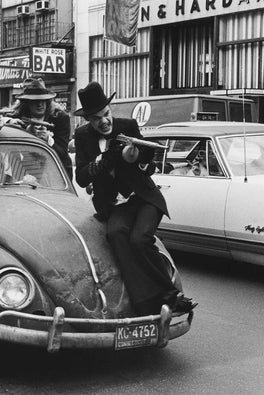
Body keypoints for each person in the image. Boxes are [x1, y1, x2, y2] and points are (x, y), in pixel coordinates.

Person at [73, 81, 197, 316]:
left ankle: (172, 296)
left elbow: (147, 166)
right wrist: (105, 160)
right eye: (97, 118)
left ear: (111, 110)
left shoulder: (128, 125)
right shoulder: (82, 136)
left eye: (106, 114)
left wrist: (139, 158)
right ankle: (144, 304)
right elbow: (80, 177)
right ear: (88, 120)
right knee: (116, 235)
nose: (104, 121)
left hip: (145, 198)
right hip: (116, 205)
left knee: (140, 240)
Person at [8, 78, 73, 180]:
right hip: (28, 171)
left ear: (48, 101)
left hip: (58, 172)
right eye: (35, 101)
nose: (40, 104)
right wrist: (27, 135)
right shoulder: (18, 118)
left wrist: (48, 140)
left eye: (43, 100)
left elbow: (63, 153)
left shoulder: (60, 118)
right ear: (27, 102)